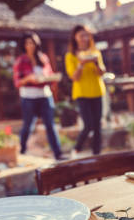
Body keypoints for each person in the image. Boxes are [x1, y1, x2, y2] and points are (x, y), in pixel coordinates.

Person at [13, 32, 64, 160]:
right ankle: (22, 151)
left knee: (50, 125)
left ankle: (58, 153)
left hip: (45, 96)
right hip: (29, 97)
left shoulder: (43, 58)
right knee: (28, 125)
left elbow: (49, 75)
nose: (30, 45)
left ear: (37, 44)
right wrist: (28, 79)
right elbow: (17, 82)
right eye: (28, 43)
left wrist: (52, 78)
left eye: (32, 42)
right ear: (24, 45)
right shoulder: (21, 60)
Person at [65, 25, 106, 156]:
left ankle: (97, 154)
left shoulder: (95, 53)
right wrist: (81, 63)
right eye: (80, 35)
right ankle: (76, 148)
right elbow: (74, 77)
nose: (84, 38)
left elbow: (101, 73)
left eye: (86, 35)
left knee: (97, 125)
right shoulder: (70, 56)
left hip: (97, 91)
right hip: (82, 93)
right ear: (75, 38)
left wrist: (95, 63)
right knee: (88, 124)